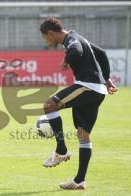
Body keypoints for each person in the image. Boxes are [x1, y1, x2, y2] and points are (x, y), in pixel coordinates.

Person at [39, 16, 117, 189]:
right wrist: (107, 78)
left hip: (87, 87)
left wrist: (66, 61)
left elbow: (76, 51)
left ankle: (61, 150)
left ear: (51, 34)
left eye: (45, 37)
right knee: (83, 135)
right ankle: (79, 180)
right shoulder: (77, 36)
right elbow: (102, 54)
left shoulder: (71, 40)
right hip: (98, 90)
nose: (46, 41)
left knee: (49, 105)